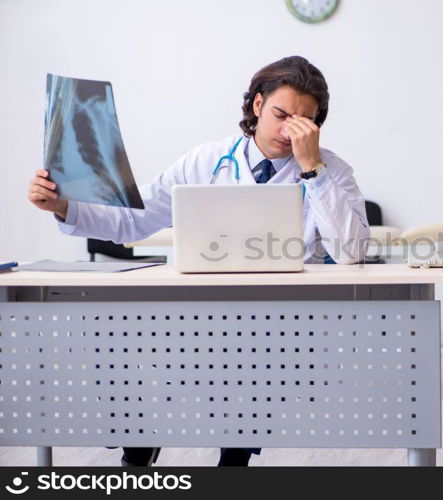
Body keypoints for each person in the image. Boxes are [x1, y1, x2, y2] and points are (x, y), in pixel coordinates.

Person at [27, 56, 370, 466]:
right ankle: (139, 445)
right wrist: (63, 206)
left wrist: (313, 170)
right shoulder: (206, 161)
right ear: (257, 105)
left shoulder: (333, 172)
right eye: (281, 114)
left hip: (278, 320)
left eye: (304, 122)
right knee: (129, 344)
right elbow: (136, 218)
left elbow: (351, 252)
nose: (287, 130)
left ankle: (232, 459)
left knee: (246, 363)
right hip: (197, 308)